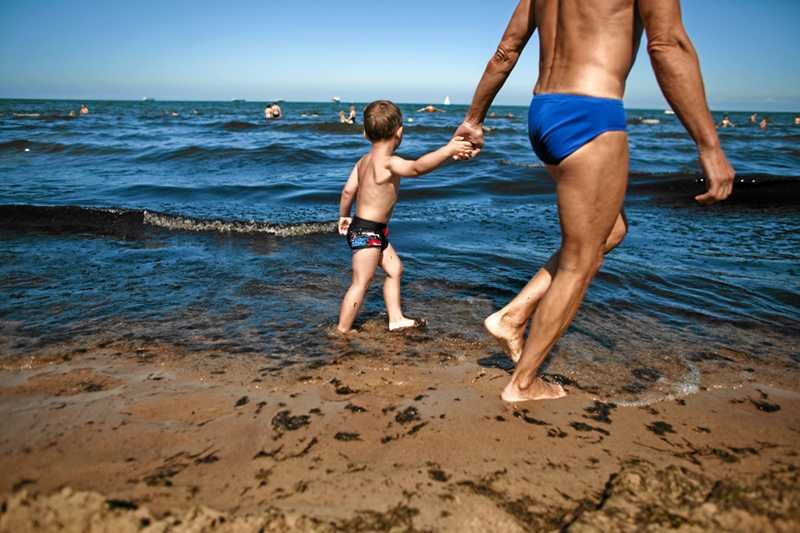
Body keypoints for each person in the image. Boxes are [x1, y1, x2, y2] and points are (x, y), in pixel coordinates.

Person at [453, 0, 735, 402]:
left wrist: (474, 119)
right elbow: (667, 45)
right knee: (581, 260)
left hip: (543, 113)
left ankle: (513, 316)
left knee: (610, 230)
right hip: (591, 112)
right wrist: (709, 145)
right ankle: (523, 383)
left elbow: (506, 50)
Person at [336, 100, 472, 333]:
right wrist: (448, 150)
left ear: (365, 133)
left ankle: (396, 318)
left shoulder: (362, 162)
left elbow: (348, 190)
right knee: (361, 283)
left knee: (394, 269)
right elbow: (418, 168)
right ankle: (342, 330)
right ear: (400, 131)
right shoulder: (390, 163)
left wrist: (343, 216)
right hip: (368, 232)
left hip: (368, 229)